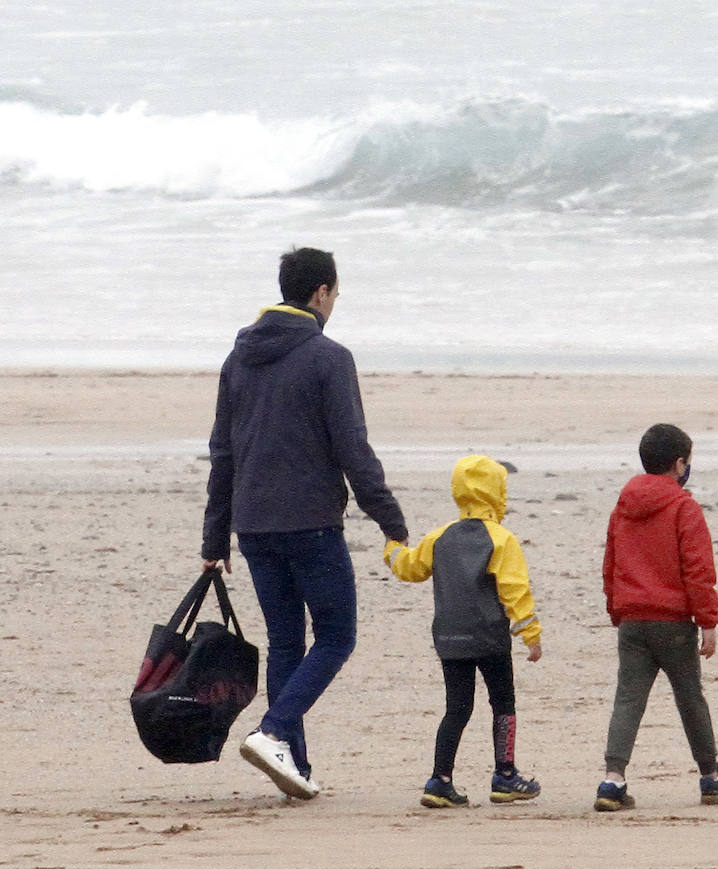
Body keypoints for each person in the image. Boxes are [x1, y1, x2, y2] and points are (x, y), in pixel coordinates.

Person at [201, 246, 408, 801]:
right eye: (336, 294)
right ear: (320, 293)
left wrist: (215, 537)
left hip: (252, 525)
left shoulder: (238, 356)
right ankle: (272, 732)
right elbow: (353, 450)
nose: (336, 304)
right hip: (311, 523)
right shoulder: (328, 357)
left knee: (287, 642)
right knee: (337, 636)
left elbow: (223, 453)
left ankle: (294, 765)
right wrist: (390, 519)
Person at [595, 423, 718, 811]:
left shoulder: (624, 506)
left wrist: (617, 608)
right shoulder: (684, 507)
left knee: (628, 698)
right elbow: (697, 569)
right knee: (690, 698)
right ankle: (711, 776)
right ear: (679, 464)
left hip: (632, 618)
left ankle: (612, 780)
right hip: (673, 621)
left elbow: (610, 562)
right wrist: (708, 621)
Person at [383, 454, 543, 809]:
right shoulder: (501, 539)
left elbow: (409, 567)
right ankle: (505, 775)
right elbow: (514, 590)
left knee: (457, 708)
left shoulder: (440, 537)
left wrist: (392, 548)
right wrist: (530, 632)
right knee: (503, 704)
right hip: (490, 639)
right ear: (497, 492)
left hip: (450, 638)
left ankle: (440, 779)